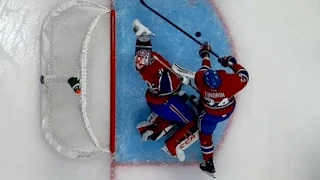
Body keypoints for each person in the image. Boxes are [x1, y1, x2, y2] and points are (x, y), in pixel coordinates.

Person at [132, 19, 198, 158]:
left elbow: (142, 51)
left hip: (156, 100)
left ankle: (151, 127)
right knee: (192, 123)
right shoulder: (159, 72)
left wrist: (143, 38)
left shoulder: (144, 67)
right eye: (146, 57)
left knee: (177, 110)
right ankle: (172, 146)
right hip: (166, 103)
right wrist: (182, 80)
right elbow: (170, 89)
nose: (147, 56)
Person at [194, 42, 249, 175]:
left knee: (205, 135)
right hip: (228, 110)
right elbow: (244, 75)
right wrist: (231, 63)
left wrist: (205, 54)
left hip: (211, 115)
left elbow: (204, 68)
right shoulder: (230, 82)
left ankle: (208, 163)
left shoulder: (199, 80)